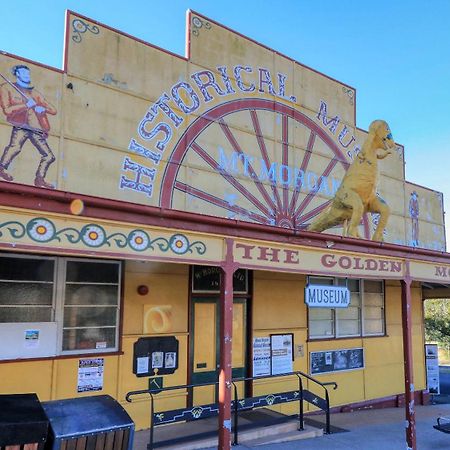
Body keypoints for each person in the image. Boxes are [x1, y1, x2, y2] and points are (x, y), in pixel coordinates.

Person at [0, 65, 57, 188]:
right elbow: (7, 110)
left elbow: (53, 110)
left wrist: (43, 108)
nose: (27, 76)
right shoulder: (7, 88)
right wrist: (26, 105)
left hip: (36, 128)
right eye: (24, 73)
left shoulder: (34, 93)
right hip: (20, 125)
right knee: (15, 148)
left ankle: (39, 179)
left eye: (28, 74)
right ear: (17, 74)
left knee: (49, 156)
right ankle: (1, 169)